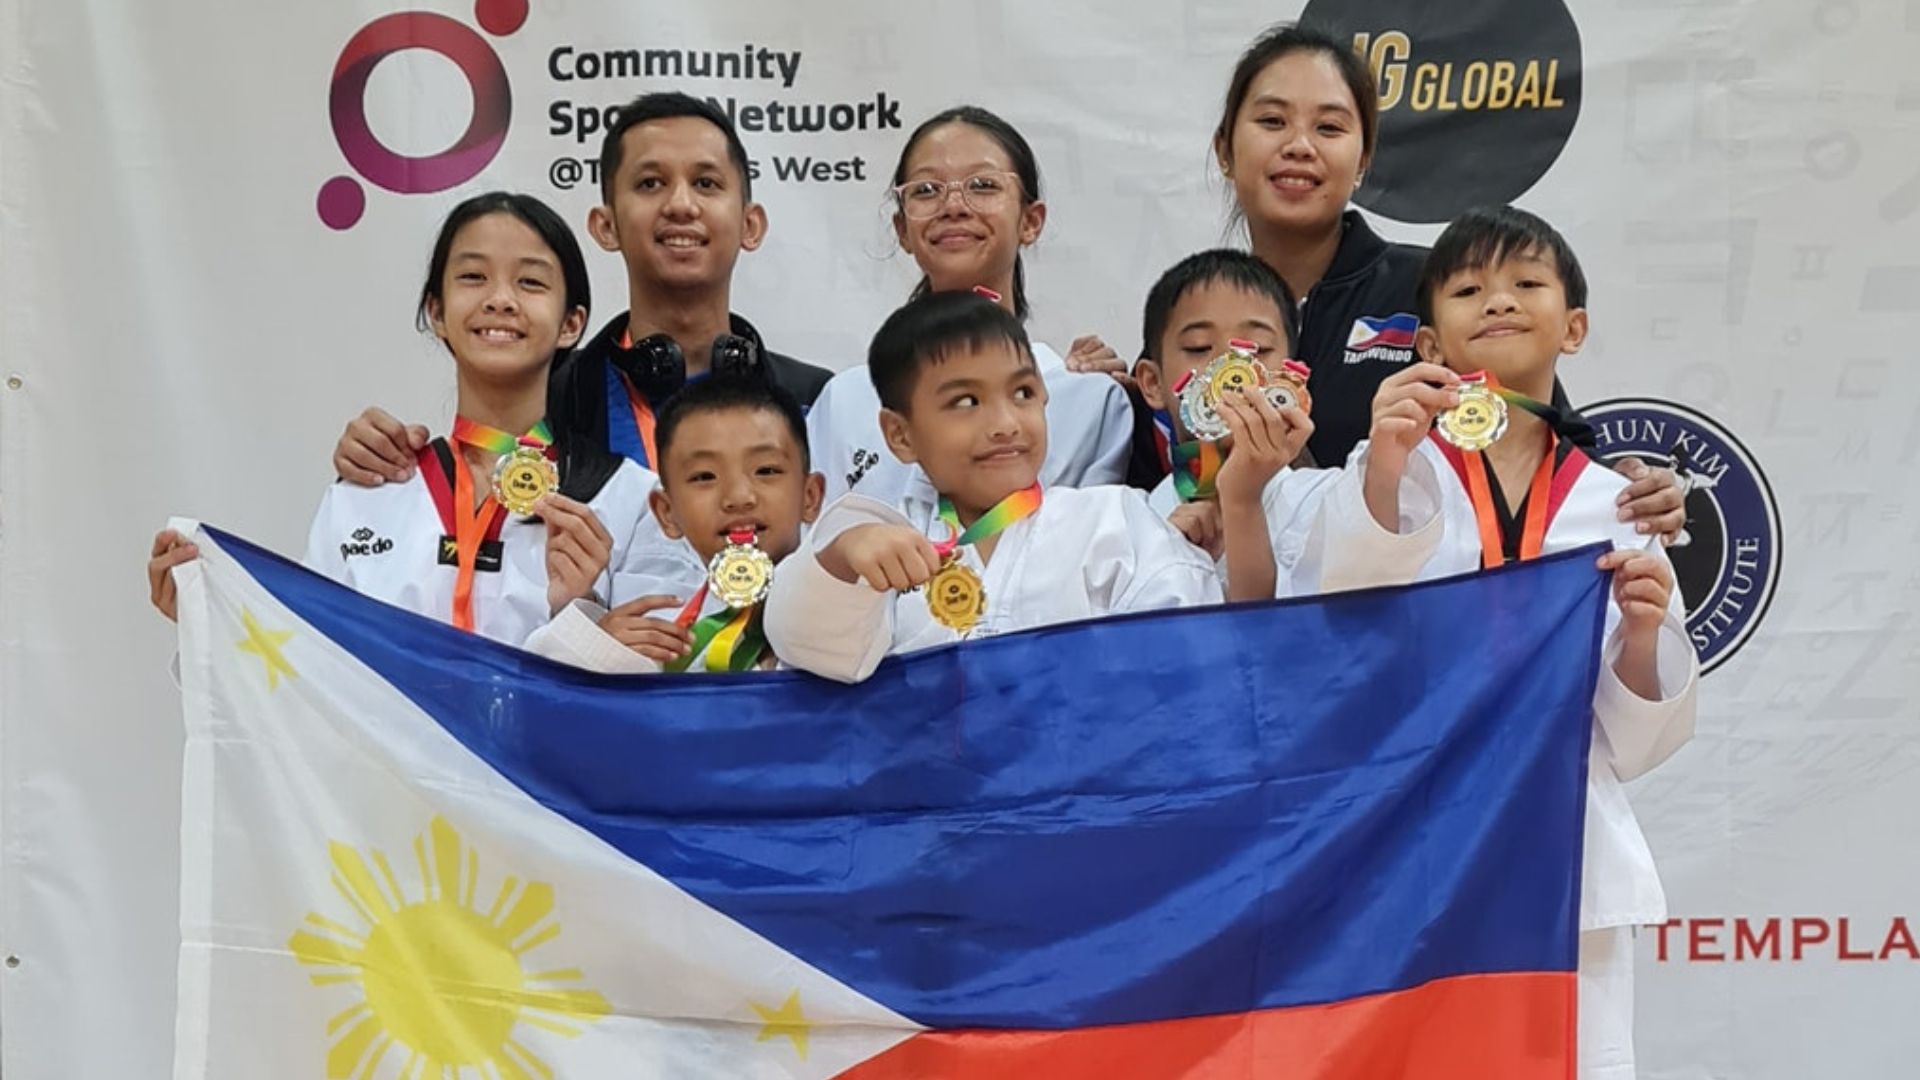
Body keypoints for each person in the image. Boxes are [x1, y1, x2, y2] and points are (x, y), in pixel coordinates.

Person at [1306, 206, 1697, 1080]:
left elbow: (1636, 737)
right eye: (1468, 289)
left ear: (1574, 327)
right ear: (1428, 343)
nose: (1499, 300)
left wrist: (1642, 631)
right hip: (1407, 839)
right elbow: (1340, 628)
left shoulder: (1618, 504)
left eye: (1526, 283)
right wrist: (1383, 461)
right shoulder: (1393, 468)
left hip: (1565, 854)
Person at [1072, 24, 1686, 539]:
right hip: (1245, 617)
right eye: (1272, 121)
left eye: (1329, 128)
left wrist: (1625, 489)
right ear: (1225, 149)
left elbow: (1542, 429)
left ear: (1364, 160)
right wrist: (1088, 393)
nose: (1299, 146)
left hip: (1412, 616)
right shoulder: (1194, 315)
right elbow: (1154, 487)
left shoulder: (1431, 289)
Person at [150, 193, 672, 648]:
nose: (500, 300)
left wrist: (581, 611)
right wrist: (212, 620)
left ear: (571, 324)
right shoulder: (368, 492)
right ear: (437, 311)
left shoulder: (629, 501)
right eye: (473, 277)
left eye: (531, 282)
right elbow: (311, 666)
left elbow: (663, 689)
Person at [329, 91, 832, 487]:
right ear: (605, 226)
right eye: (650, 183)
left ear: (750, 224)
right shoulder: (539, 400)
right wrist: (379, 457)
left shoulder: (818, 403)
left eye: (706, 183)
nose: (681, 205)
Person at [766, 292, 1220, 684]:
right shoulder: (880, 545)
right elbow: (806, 647)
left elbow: (1187, 660)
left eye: (1023, 393)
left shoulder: (1113, 521)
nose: (1005, 424)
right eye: (966, 401)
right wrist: (839, 561)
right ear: (900, 435)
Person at [804, 105, 1133, 510]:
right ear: (903, 229)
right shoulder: (846, 401)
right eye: (927, 190)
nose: (954, 206)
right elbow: (812, 539)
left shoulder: (1087, 400)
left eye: (983, 185)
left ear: (1030, 221)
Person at [526, 375, 823, 673]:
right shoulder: (653, 639)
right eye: (705, 476)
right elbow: (542, 689)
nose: (738, 497)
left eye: (766, 470)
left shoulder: (842, 610)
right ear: (666, 513)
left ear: (810, 496)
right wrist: (595, 649)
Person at [1130, 249, 1335, 599]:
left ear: (1292, 377)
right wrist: (1163, 563)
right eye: (1199, 348)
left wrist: (1242, 503)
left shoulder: (1327, 504)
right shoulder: (1133, 526)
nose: (1229, 370)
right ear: (1152, 383)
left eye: (1258, 349)